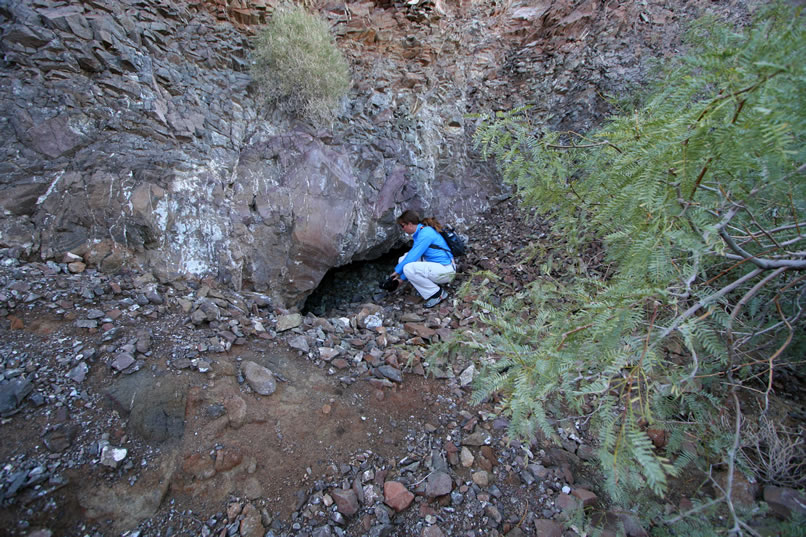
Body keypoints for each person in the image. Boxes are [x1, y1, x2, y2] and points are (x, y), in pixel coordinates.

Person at [391, 210, 456, 307]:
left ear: (409, 224)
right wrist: (401, 279)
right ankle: (429, 285)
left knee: (408, 267)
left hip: (447, 271)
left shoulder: (425, 234)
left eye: (402, 226)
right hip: (439, 267)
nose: (402, 229)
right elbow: (413, 256)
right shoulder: (421, 231)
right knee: (403, 259)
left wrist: (396, 273)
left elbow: (413, 256)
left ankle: (438, 294)